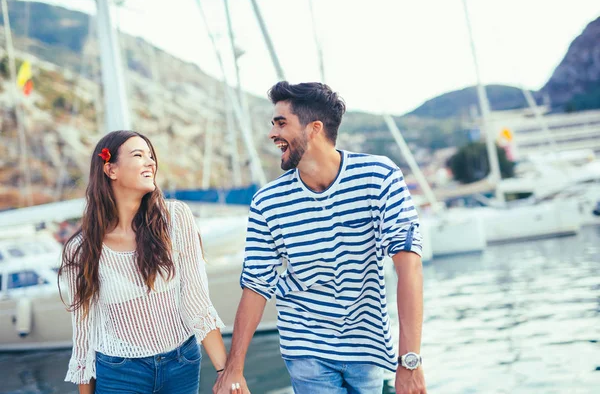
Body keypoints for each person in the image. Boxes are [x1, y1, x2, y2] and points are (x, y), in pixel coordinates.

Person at [215, 82, 427, 394]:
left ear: (314, 128)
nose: (273, 134)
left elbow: (409, 267)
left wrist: (409, 360)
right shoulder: (267, 202)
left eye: (281, 123)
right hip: (306, 346)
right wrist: (234, 370)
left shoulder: (380, 177)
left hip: (366, 344)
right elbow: (256, 285)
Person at [59, 130, 238, 394]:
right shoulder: (82, 249)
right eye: (138, 155)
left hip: (182, 364)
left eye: (151, 155)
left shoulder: (176, 219)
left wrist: (226, 374)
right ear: (111, 170)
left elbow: (197, 302)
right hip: (120, 373)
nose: (151, 162)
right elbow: (84, 335)